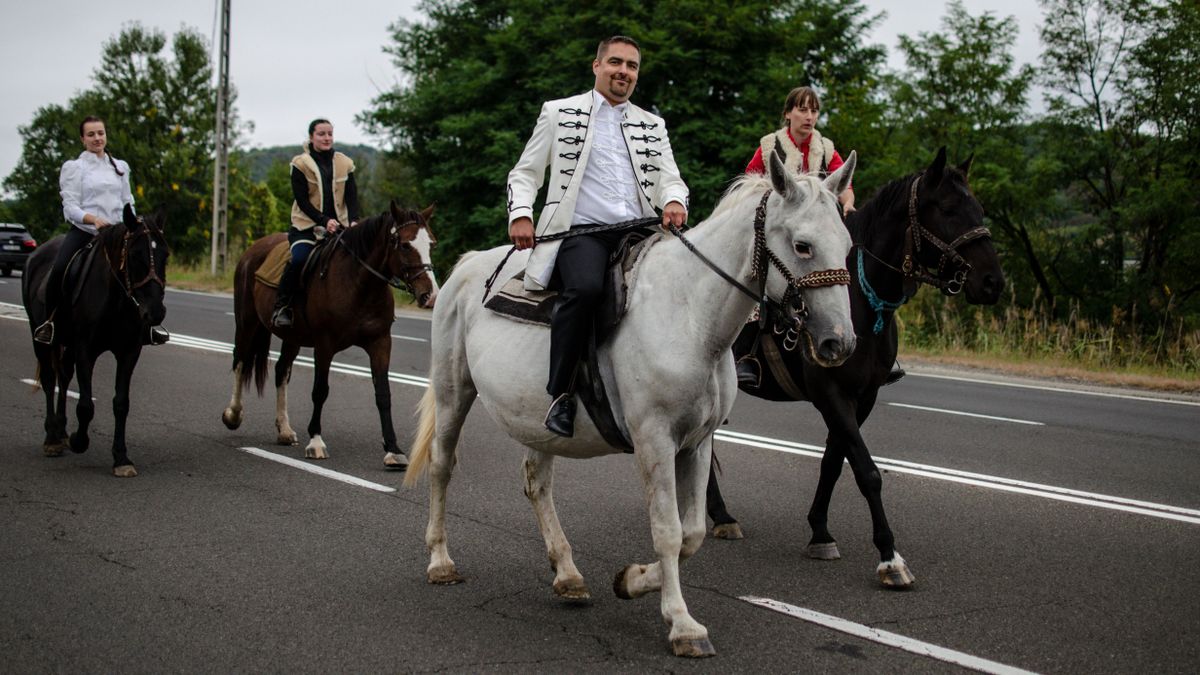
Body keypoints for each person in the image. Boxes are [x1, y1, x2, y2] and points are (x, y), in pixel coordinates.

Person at [507, 35, 689, 438]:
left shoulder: (652, 124)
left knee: (692, 281)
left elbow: (669, 179)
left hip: (641, 232)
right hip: (582, 232)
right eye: (616, 62)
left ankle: (694, 389)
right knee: (586, 290)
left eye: (632, 66)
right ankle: (562, 394)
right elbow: (525, 173)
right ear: (597, 65)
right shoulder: (558, 112)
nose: (624, 71)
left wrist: (674, 200)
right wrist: (521, 214)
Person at [737, 87, 904, 387]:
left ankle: (875, 353)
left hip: (815, 228)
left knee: (848, 274)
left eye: (814, 111)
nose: (809, 117)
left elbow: (844, 182)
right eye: (802, 110)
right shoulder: (769, 146)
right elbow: (751, 184)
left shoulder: (825, 148)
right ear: (788, 113)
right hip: (777, 227)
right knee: (755, 286)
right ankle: (745, 355)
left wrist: (848, 202)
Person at [34, 116, 167, 346]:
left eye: (101, 133)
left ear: (106, 135)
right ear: (83, 139)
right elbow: (70, 206)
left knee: (146, 266)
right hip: (86, 231)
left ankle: (146, 327)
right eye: (91, 134)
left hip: (118, 234)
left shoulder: (120, 167)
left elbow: (128, 201)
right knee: (60, 268)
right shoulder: (74, 168)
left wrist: (135, 222)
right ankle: (51, 322)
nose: (97, 138)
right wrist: (93, 219)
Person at [272, 118, 361, 327]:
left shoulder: (344, 163)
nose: (327, 138)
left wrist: (354, 221)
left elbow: (352, 197)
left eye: (330, 133)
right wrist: (323, 220)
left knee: (361, 260)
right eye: (321, 134)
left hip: (339, 228)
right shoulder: (300, 164)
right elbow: (302, 201)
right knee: (299, 259)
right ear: (311, 137)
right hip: (306, 227)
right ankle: (282, 306)